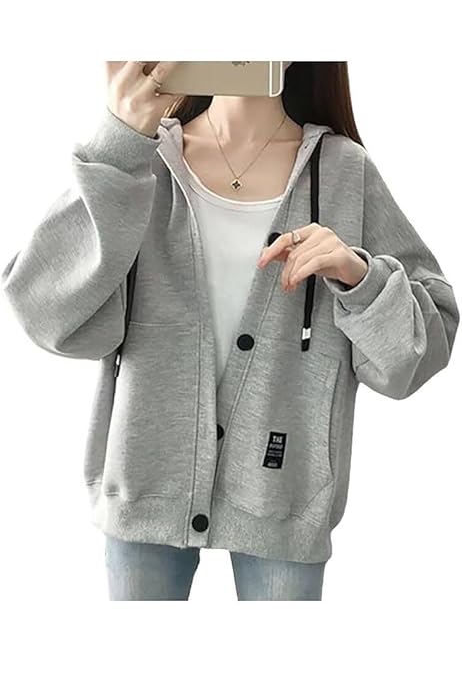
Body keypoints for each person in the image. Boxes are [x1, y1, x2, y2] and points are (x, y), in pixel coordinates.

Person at [2, 62, 459, 601]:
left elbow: (418, 351)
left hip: (284, 497)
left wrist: (359, 277)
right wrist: (117, 145)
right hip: (145, 488)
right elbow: (44, 311)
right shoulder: (142, 161)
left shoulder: (343, 173)